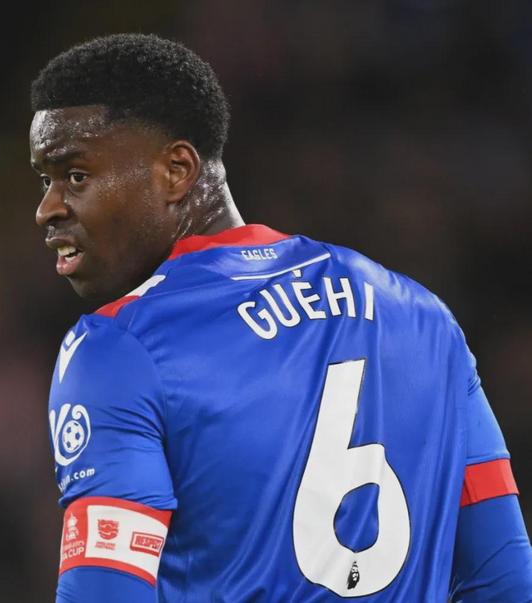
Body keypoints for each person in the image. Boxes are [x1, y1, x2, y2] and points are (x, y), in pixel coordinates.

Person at [29, 34, 531, 602]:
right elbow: (505, 580)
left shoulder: (120, 347)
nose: (47, 209)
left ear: (176, 171)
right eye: (45, 180)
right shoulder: (423, 318)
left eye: (75, 176)